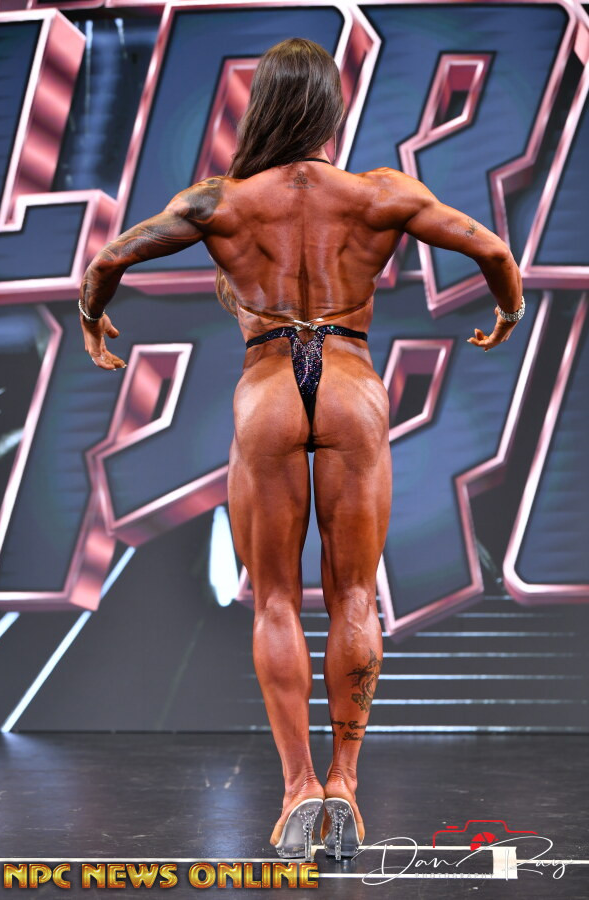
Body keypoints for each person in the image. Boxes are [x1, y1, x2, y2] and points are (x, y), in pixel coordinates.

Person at [77, 38, 524, 860]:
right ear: (330, 111)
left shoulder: (224, 202)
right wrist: (507, 312)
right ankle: (345, 783)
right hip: (350, 387)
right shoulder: (379, 193)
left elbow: (108, 260)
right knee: (354, 596)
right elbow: (494, 252)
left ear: (265, 110)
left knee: (275, 600)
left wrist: (92, 322)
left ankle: (298, 792)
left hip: (270, 392)